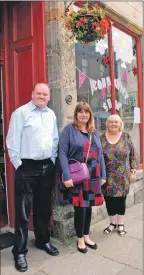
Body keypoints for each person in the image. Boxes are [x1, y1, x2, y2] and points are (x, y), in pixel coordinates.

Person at [6, 83, 59, 272]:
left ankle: (43, 240)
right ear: (32, 94)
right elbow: (12, 142)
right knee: (22, 211)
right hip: (27, 167)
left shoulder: (51, 114)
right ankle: (19, 251)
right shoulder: (20, 113)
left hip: (47, 166)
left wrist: (52, 160)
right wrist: (19, 165)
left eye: (45, 94)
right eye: (39, 93)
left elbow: (54, 139)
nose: (42, 96)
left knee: (43, 209)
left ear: (49, 96)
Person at [58, 102, 106, 254]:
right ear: (76, 114)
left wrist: (103, 175)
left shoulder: (93, 131)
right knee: (80, 208)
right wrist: (66, 176)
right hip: (78, 174)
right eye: (81, 112)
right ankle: (79, 239)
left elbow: (100, 155)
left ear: (90, 115)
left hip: (93, 174)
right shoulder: (69, 130)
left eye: (87, 112)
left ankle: (86, 235)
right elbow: (62, 153)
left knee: (89, 206)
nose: (84, 114)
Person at [100, 114, 137, 237]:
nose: (113, 124)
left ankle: (120, 223)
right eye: (111, 122)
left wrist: (133, 171)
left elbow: (133, 154)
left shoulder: (126, 137)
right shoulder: (101, 138)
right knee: (109, 200)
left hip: (122, 176)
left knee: (121, 200)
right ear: (107, 124)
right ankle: (112, 223)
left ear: (120, 124)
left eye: (116, 122)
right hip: (107, 177)